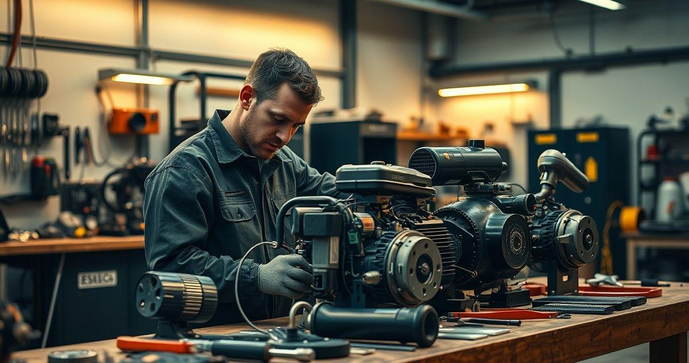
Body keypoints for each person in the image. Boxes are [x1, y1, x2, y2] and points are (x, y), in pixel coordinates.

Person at [143, 48, 341, 325]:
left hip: (278, 331)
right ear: (247, 98)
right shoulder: (185, 169)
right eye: (278, 119)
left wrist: (395, 186)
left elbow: (332, 191)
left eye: (296, 125)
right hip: (213, 340)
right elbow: (172, 267)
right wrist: (256, 276)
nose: (285, 136)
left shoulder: (283, 162)